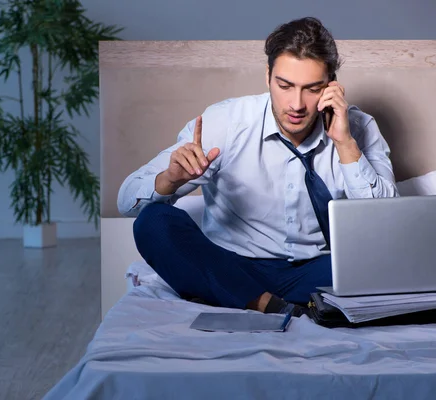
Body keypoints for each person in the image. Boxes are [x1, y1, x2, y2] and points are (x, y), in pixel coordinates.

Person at [117, 17, 399, 317]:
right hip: (232, 264)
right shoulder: (225, 122)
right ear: (268, 77)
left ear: (332, 86)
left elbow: (387, 226)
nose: (296, 104)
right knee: (153, 223)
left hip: (319, 270)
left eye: (312, 88)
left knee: (394, 260)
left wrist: (344, 143)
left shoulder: (359, 128)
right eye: (285, 86)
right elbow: (126, 200)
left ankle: (229, 297)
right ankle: (266, 304)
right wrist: (170, 180)